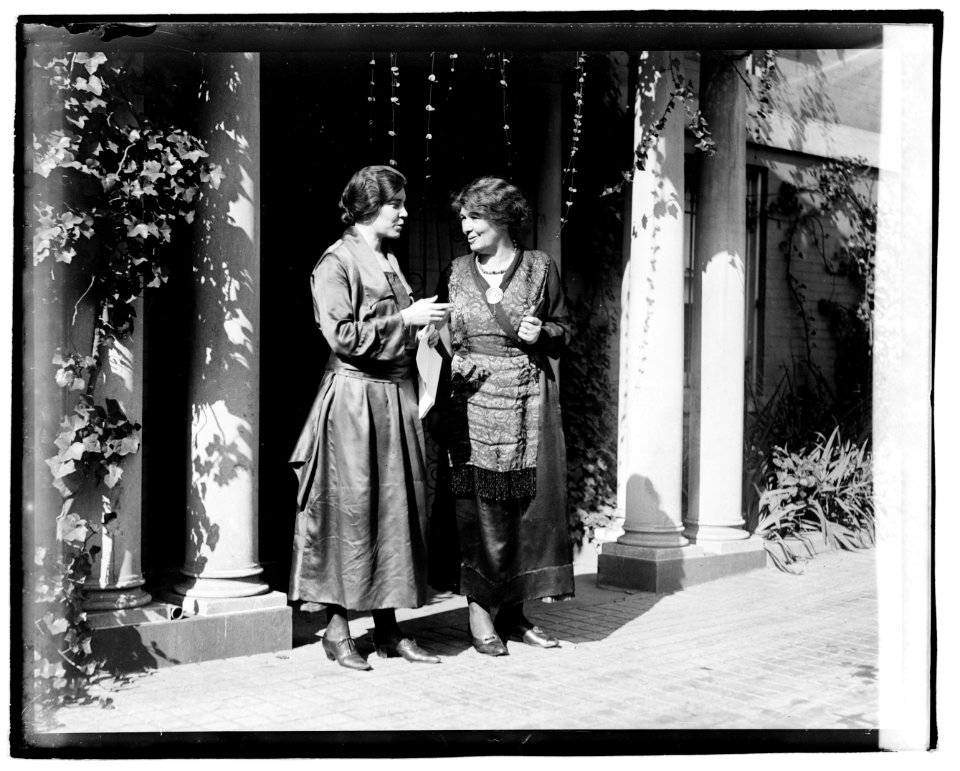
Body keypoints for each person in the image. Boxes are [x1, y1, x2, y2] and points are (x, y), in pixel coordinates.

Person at [289, 165, 451, 670]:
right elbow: (342, 336)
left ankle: (387, 630)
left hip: (393, 400)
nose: (404, 213)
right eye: (395, 205)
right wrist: (404, 319)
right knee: (349, 510)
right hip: (354, 403)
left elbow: (393, 330)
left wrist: (422, 327)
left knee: (395, 510)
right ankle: (337, 631)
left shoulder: (388, 261)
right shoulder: (335, 263)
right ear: (367, 208)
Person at [430, 176, 575, 657]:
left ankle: (513, 613)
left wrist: (543, 331)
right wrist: (448, 354)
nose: (466, 227)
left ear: (502, 218)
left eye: (474, 217)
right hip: (470, 406)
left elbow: (564, 328)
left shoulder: (539, 268)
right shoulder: (454, 272)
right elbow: (436, 334)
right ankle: (478, 609)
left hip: (527, 404)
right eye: (464, 218)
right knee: (476, 508)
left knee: (521, 508)